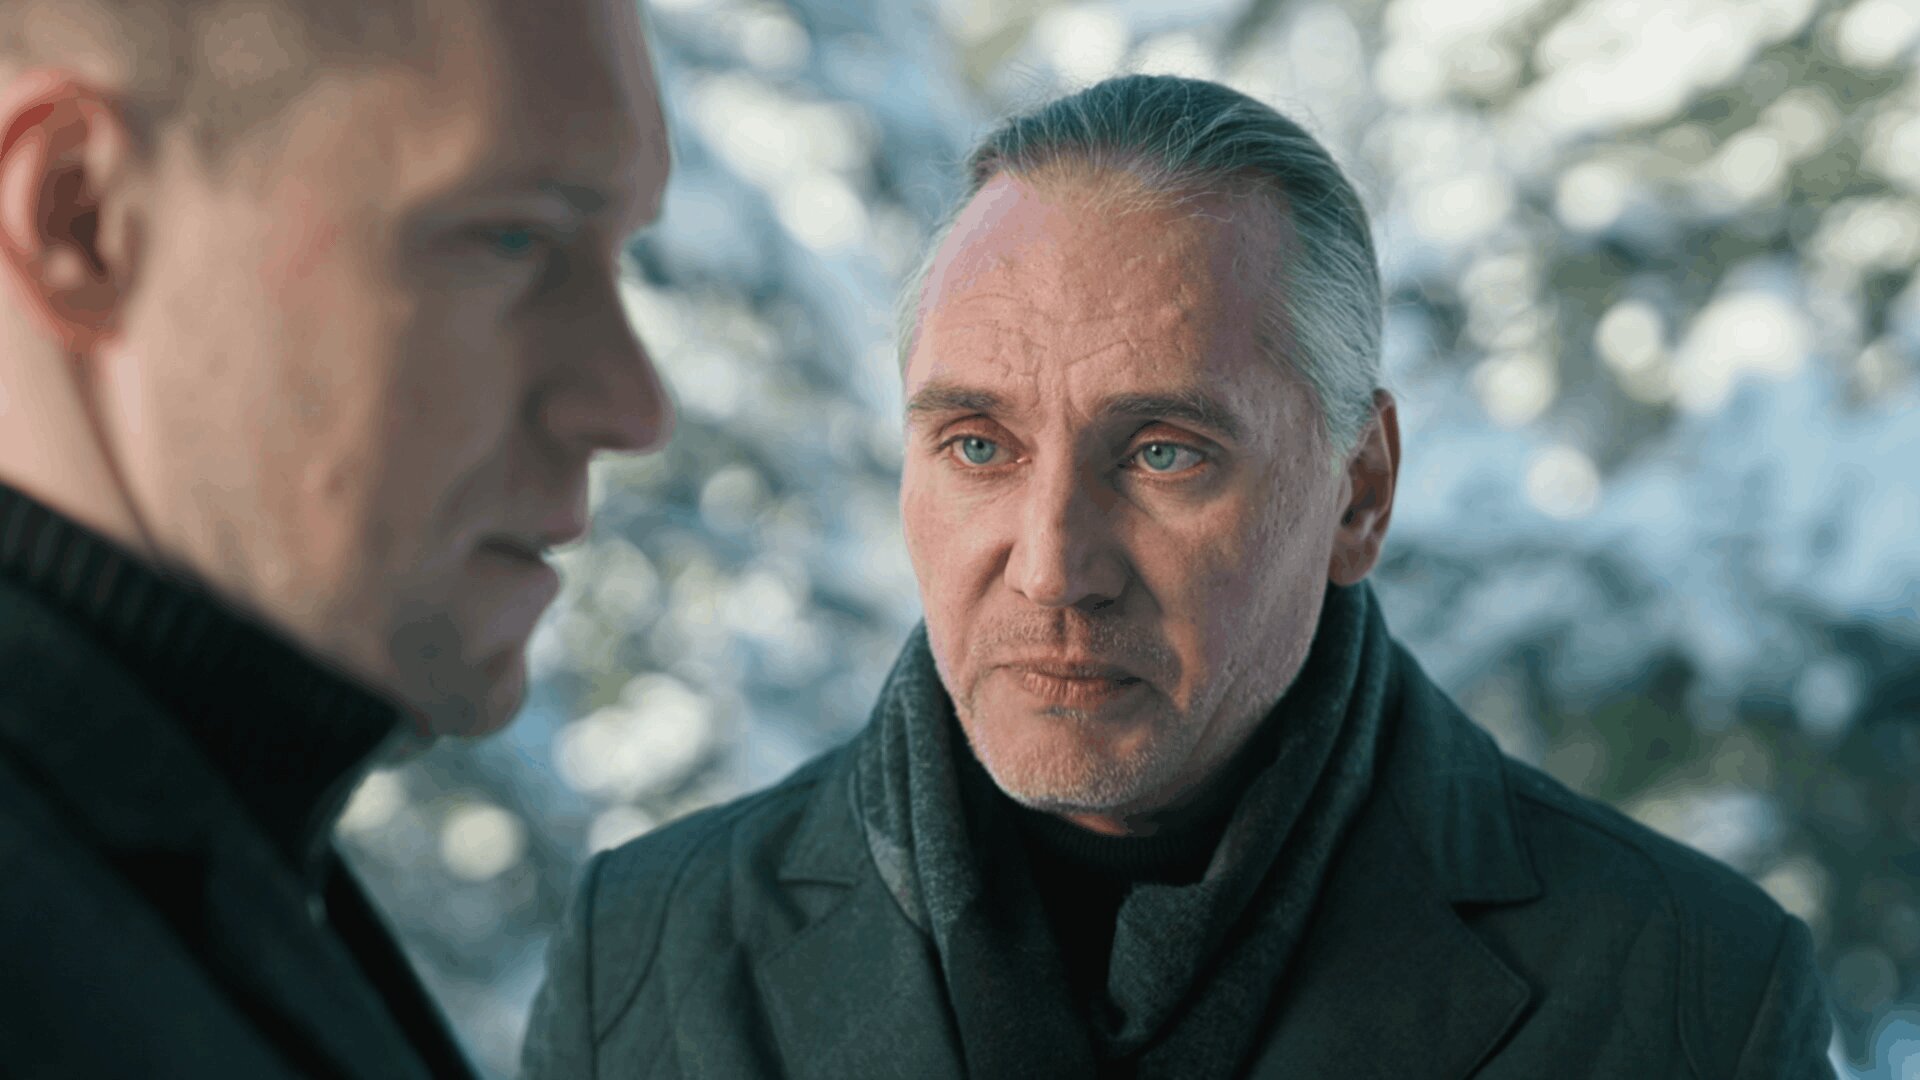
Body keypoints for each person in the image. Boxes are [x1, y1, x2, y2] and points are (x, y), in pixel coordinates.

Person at [521, 75, 1834, 1079]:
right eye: (977, 445)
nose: (1054, 569)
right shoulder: (645, 956)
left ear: (1360, 492)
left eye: (1162, 454)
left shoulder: (1693, 997)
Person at [0, 0, 673, 1074]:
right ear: (83, 214)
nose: (634, 407)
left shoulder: (220, 848)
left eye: (617, 255)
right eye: (513, 237)